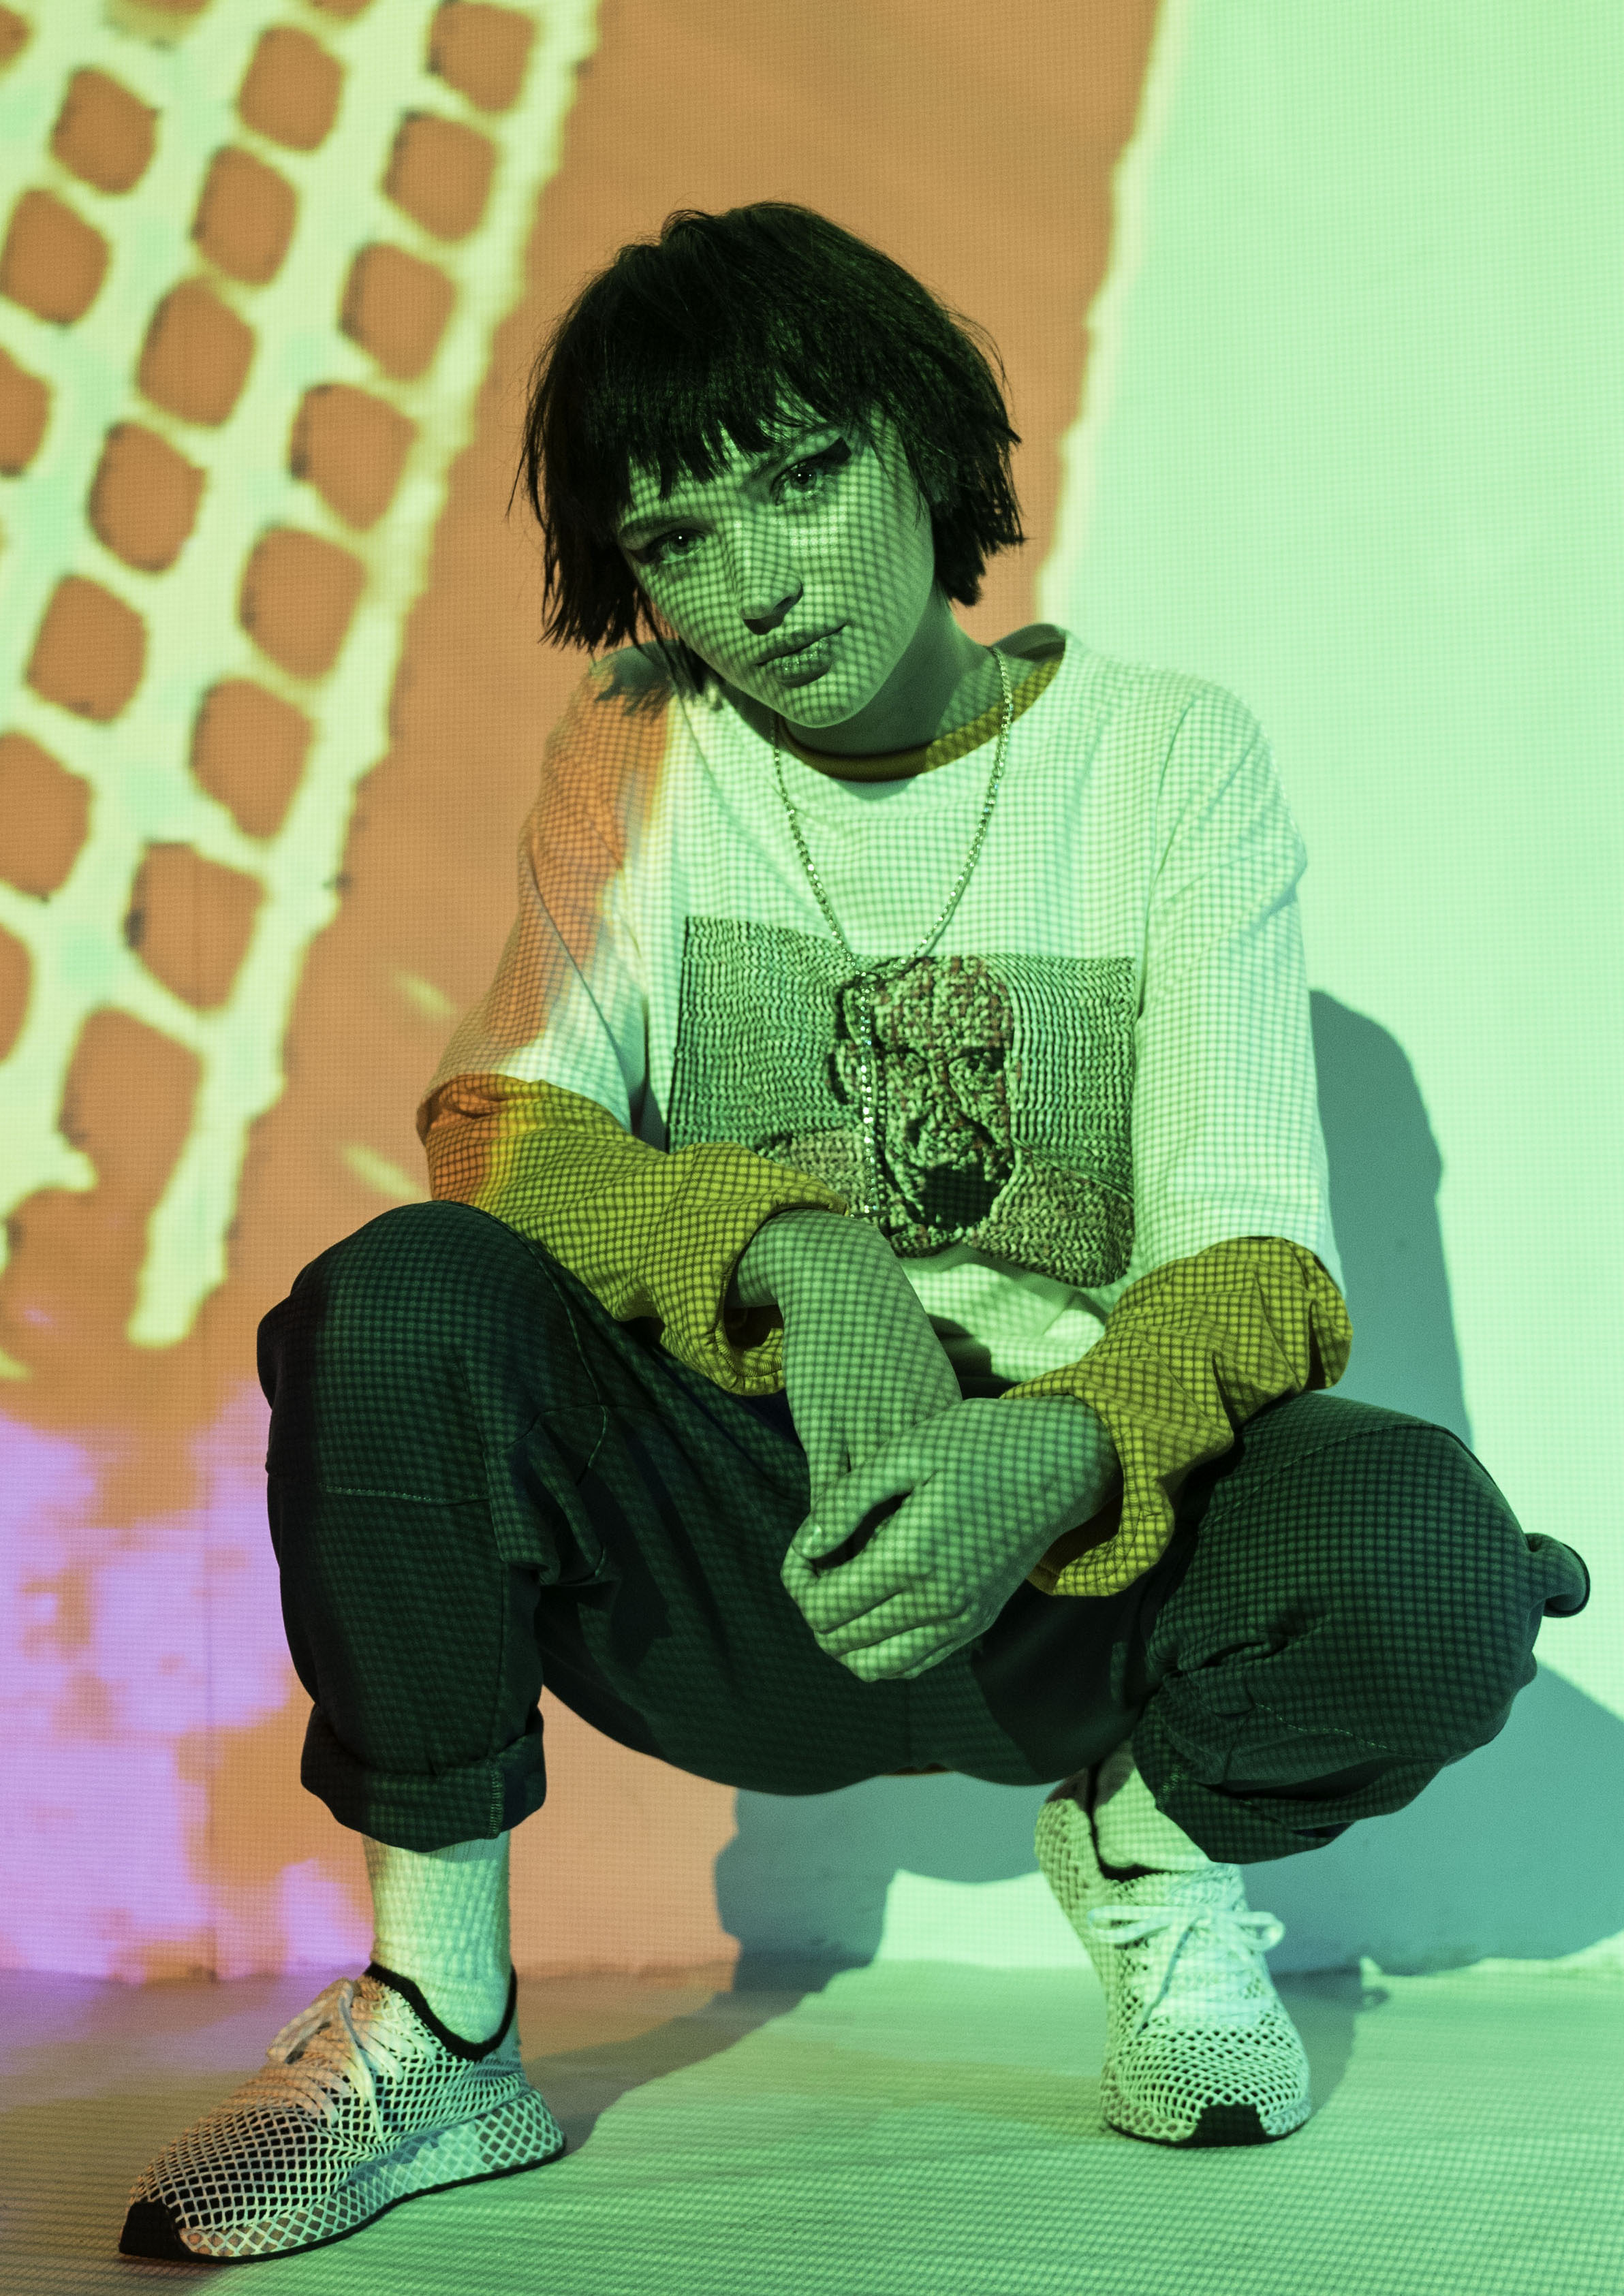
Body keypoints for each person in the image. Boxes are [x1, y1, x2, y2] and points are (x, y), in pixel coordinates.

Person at [121, 202, 1589, 2263]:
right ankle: (441, 2022)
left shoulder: (1165, 757)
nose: (762, 582)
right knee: (393, 1305)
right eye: (681, 533)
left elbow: (1260, 1263)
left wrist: (1058, 1445)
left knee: (1436, 1553)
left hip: (1077, 1576)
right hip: (748, 1556)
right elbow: (501, 1121)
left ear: (925, 438)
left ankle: (1153, 1860)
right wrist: (798, 1262)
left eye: (805, 477)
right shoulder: (641, 745)